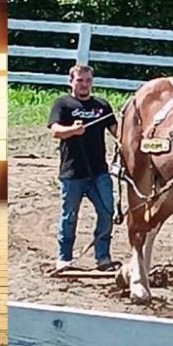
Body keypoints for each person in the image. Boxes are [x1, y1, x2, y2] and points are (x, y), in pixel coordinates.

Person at [50, 64, 120, 273]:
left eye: (88, 80)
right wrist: (72, 130)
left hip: (99, 172)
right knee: (70, 216)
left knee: (107, 212)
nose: (84, 84)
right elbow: (55, 130)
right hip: (72, 172)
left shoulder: (102, 106)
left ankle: (103, 257)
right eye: (80, 80)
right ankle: (64, 258)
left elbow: (118, 132)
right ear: (71, 81)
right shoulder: (62, 104)